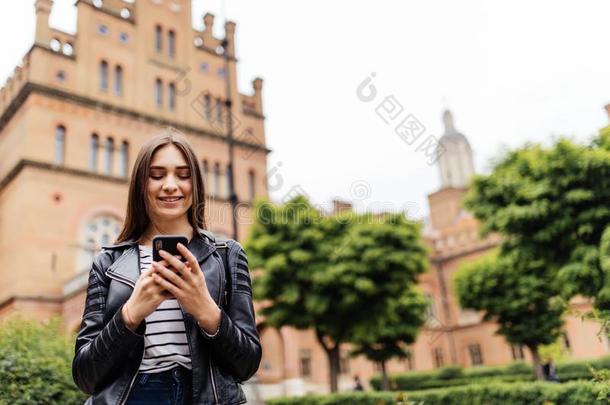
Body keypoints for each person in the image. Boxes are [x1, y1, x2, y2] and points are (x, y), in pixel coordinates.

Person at [72, 129, 261, 404]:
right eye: (157, 175)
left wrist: (206, 310)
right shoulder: (108, 263)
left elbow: (247, 364)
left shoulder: (228, 256)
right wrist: (130, 314)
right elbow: (85, 376)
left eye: (183, 175)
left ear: (195, 185)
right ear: (141, 184)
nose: (170, 185)